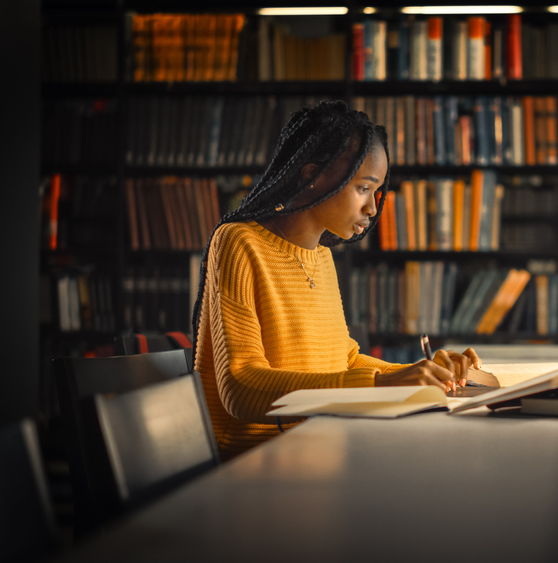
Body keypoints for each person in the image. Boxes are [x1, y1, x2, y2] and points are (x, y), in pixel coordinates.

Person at [192, 101, 482, 460]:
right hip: (258, 461)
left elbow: (343, 363)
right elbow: (240, 387)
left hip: (321, 449)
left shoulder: (322, 258)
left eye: (377, 193)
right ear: (313, 176)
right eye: (363, 188)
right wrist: (379, 384)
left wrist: (421, 373)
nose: (373, 209)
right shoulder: (238, 243)